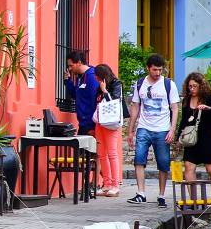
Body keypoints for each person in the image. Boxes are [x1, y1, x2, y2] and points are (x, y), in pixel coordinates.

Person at [126, 54, 180, 207]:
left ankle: (161, 195)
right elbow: (135, 106)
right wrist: (130, 130)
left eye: (160, 70)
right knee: (139, 159)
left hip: (162, 128)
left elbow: (175, 108)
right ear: (148, 68)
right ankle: (141, 193)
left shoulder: (169, 84)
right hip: (144, 126)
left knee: (163, 163)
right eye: (155, 70)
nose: (157, 73)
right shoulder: (140, 84)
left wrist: (172, 129)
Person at [177, 71, 211, 181]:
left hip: (208, 137)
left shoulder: (209, 98)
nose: (192, 89)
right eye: (190, 86)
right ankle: (193, 198)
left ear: (201, 86)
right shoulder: (186, 100)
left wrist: (208, 109)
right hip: (191, 138)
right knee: (189, 167)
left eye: (194, 86)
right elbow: (184, 121)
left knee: (210, 169)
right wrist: (179, 138)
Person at [93, 63, 124, 197]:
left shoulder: (116, 84)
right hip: (100, 122)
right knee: (101, 154)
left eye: (97, 76)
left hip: (111, 123)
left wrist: (105, 91)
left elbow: (115, 102)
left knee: (112, 153)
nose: (95, 78)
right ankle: (106, 184)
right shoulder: (99, 87)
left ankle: (115, 185)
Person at [63, 50, 101, 136]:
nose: (69, 69)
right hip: (83, 125)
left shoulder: (92, 76)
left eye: (71, 65)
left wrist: (93, 127)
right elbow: (76, 96)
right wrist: (68, 81)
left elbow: (95, 102)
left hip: (91, 127)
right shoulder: (80, 77)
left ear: (79, 62)